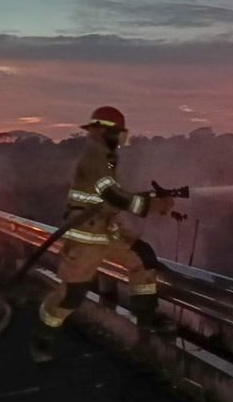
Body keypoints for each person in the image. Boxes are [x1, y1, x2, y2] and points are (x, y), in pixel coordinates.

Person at [30, 106, 175, 364]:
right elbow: (113, 196)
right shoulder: (93, 158)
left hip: (105, 234)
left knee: (142, 257)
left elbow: (113, 199)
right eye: (116, 133)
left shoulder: (105, 159)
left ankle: (147, 319)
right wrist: (153, 205)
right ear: (102, 131)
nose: (119, 138)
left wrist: (152, 197)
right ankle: (42, 337)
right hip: (85, 239)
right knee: (72, 294)